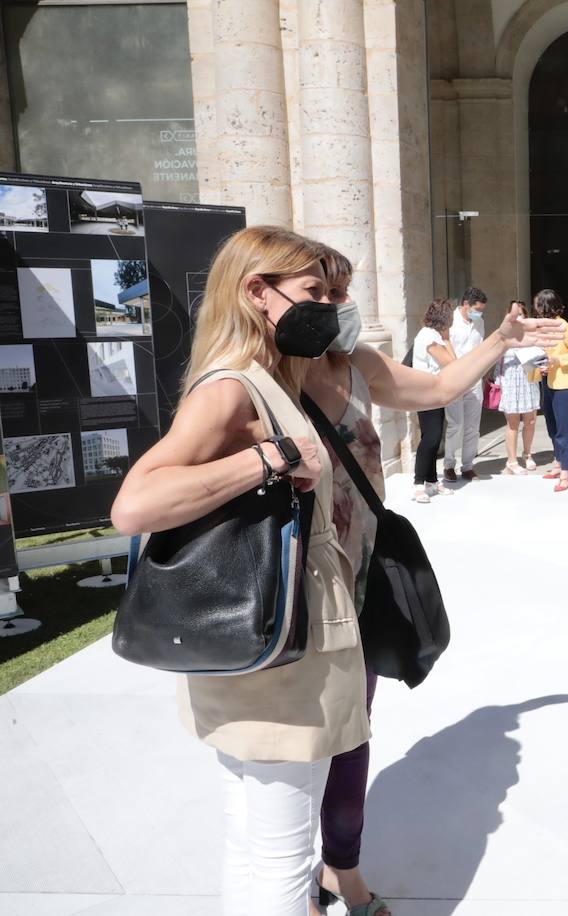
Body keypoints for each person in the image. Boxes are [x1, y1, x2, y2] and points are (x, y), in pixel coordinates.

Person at [110, 226, 368, 915]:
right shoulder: (229, 387)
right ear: (257, 292)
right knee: (284, 858)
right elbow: (135, 505)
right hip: (278, 656)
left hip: (265, 641)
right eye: (311, 292)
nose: (327, 305)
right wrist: (276, 457)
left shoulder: (262, 376)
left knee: (251, 836)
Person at [305, 254, 561, 915]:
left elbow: (438, 388)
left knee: (351, 737)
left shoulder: (355, 361)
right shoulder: (256, 378)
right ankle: (288, 882)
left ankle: (340, 869)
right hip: (289, 593)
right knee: (292, 752)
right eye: (320, 291)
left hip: (355, 585)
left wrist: (502, 341)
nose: (337, 303)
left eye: (342, 291)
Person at [534, 288, 568, 492]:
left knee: (564, 430)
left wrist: (557, 360)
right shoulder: (543, 328)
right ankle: (558, 462)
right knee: (552, 426)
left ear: (545, 306)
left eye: (537, 304)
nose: (535, 308)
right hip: (549, 382)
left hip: (566, 385)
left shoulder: (565, 327)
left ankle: (565, 473)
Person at [411, 299, 456, 502]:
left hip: (433, 392)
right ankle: (419, 483)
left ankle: (431, 482)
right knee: (430, 438)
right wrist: (447, 340)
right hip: (425, 392)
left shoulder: (430, 334)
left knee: (434, 437)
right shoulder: (429, 336)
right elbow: (452, 363)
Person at [443, 287, 487, 482]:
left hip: (474, 380)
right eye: (477, 309)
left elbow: (481, 348)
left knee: (473, 427)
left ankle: (468, 465)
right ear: (466, 304)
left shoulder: (479, 322)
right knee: (455, 425)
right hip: (454, 379)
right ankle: (449, 464)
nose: (479, 313)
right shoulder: (449, 322)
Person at [495, 299, 541, 474]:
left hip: (528, 381)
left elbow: (536, 361)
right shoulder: (503, 335)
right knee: (512, 423)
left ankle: (527, 454)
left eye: (521, 314)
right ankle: (512, 461)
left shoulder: (531, 336)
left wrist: (535, 363)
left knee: (530, 421)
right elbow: (496, 361)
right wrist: (498, 383)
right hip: (510, 383)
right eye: (515, 314)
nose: (519, 318)